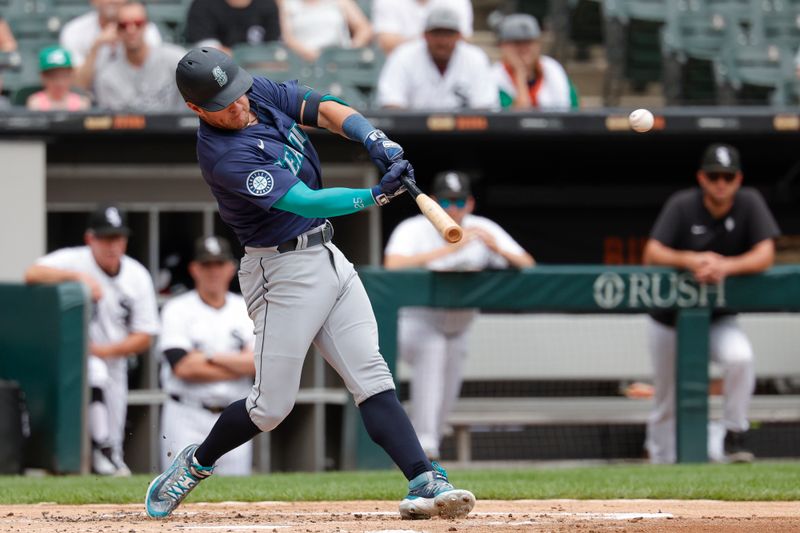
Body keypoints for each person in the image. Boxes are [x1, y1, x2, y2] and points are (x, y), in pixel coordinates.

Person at [144, 46, 475, 521]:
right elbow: (306, 202)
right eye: (224, 104)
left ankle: (425, 479)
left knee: (373, 377)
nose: (240, 105)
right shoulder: (224, 157)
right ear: (196, 109)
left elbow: (323, 108)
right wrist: (376, 194)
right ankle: (196, 464)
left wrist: (375, 138)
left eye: (238, 94)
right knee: (270, 408)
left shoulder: (250, 90)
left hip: (327, 256)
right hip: (280, 272)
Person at [643, 143, 780, 464]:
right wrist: (690, 259)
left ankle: (732, 434)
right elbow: (652, 254)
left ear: (738, 179)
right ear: (702, 178)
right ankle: (661, 460)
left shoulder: (749, 203)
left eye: (728, 177)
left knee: (740, 359)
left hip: (718, 317)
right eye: (715, 176)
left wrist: (725, 266)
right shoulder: (682, 205)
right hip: (669, 319)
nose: (721, 183)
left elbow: (766, 254)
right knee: (667, 394)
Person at [383, 170, 535, 459]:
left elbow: (527, 263)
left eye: (459, 201)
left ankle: (428, 451)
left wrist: (494, 246)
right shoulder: (414, 228)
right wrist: (453, 247)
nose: (452, 208)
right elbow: (392, 265)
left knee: (447, 391)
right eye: (446, 201)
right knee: (433, 355)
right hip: (419, 322)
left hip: (459, 325)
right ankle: (425, 449)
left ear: (470, 203)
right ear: (433, 203)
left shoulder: (481, 228)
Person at [24, 205, 160, 475]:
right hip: (74, 359)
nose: (113, 245)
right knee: (93, 377)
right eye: (106, 238)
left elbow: (145, 335)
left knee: (114, 436)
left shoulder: (137, 275)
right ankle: (96, 455)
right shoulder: (75, 260)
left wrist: (104, 350)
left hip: (115, 359)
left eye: (118, 238)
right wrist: (77, 278)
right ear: (90, 239)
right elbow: (32, 274)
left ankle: (109, 459)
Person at [159, 236, 256, 476]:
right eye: (206, 265)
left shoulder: (246, 308)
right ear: (194, 269)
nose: (213, 271)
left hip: (234, 414)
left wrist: (208, 356)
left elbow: (258, 363)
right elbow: (183, 367)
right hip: (186, 413)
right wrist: (236, 362)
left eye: (219, 264)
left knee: (235, 501)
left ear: (231, 267)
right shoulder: (177, 308)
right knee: (179, 488)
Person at [376, 7, 499, 110]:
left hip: (466, 135)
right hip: (411, 136)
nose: (442, 41)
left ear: (459, 36)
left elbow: (485, 108)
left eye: (448, 33)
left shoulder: (475, 57)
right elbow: (391, 104)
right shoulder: (403, 55)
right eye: (436, 33)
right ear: (425, 35)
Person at [94, 1, 186, 111]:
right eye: (124, 25)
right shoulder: (107, 75)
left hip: (174, 127)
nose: (131, 30)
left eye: (138, 23)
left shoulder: (175, 60)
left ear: (147, 25)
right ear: (116, 29)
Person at [59, 0, 163, 91]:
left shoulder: (146, 30)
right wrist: (96, 46)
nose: (113, 1)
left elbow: (153, 79)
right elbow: (78, 86)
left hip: (133, 101)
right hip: (89, 104)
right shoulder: (74, 30)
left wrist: (129, 42)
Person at [491, 14, 577, 111]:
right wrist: (520, 76)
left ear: (538, 44)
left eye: (529, 42)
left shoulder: (553, 69)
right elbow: (515, 120)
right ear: (503, 46)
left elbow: (573, 113)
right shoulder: (493, 78)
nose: (524, 49)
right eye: (517, 42)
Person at [280, 0, 373, 62]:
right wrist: (307, 53)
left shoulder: (341, 2)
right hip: (303, 63)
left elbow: (364, 29)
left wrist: (349, 51)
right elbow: (287, 37)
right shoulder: (287, 3)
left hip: (338, 61)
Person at [372, 0, 473, 56]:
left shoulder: (458, 2)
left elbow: (462, 40)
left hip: (448, 70)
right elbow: (388, 43)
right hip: (399, 70)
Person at [184, 0, 280, 54]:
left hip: (259, 70)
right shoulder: (203, 4)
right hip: (219, 72)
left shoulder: (267, 4)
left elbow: (274, 46)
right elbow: (206, 47)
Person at [27, 46, 92, 111]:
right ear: (43, 77)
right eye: (53, 77)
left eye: (64, 76)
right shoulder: (35, 103)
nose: (59, 82)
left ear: (71, 76)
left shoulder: (82, 103)